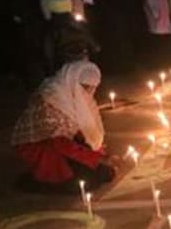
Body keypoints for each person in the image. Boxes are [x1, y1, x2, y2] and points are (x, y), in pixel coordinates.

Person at [11, 58, 117, 193]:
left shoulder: (74, 92)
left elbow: (83, 130)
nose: (87, 93)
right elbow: (59, 142)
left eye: (92, 88)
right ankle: (50, 174)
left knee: (103, 171)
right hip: (42, 146)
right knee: (88, 180)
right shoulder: (52, 97)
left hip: (64, 142)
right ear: (72, 80)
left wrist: (97, 151)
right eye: (84, 88)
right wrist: (96, 157)